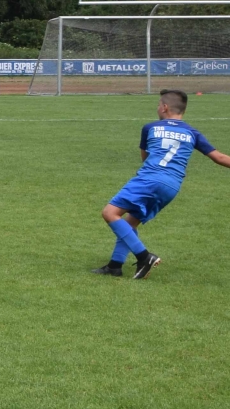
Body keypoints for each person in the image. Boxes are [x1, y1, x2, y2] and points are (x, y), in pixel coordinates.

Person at [95, 89, 230, 278]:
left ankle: (144, 257)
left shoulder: (150, 128)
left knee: (110, 213)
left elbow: (145, 158)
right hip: (171, 186)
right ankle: (114, 266)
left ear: (165, 107)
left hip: (149, 178)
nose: (157, 108)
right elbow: (219, 158)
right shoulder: (192, 133)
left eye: (158, 105)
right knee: (130, 222)